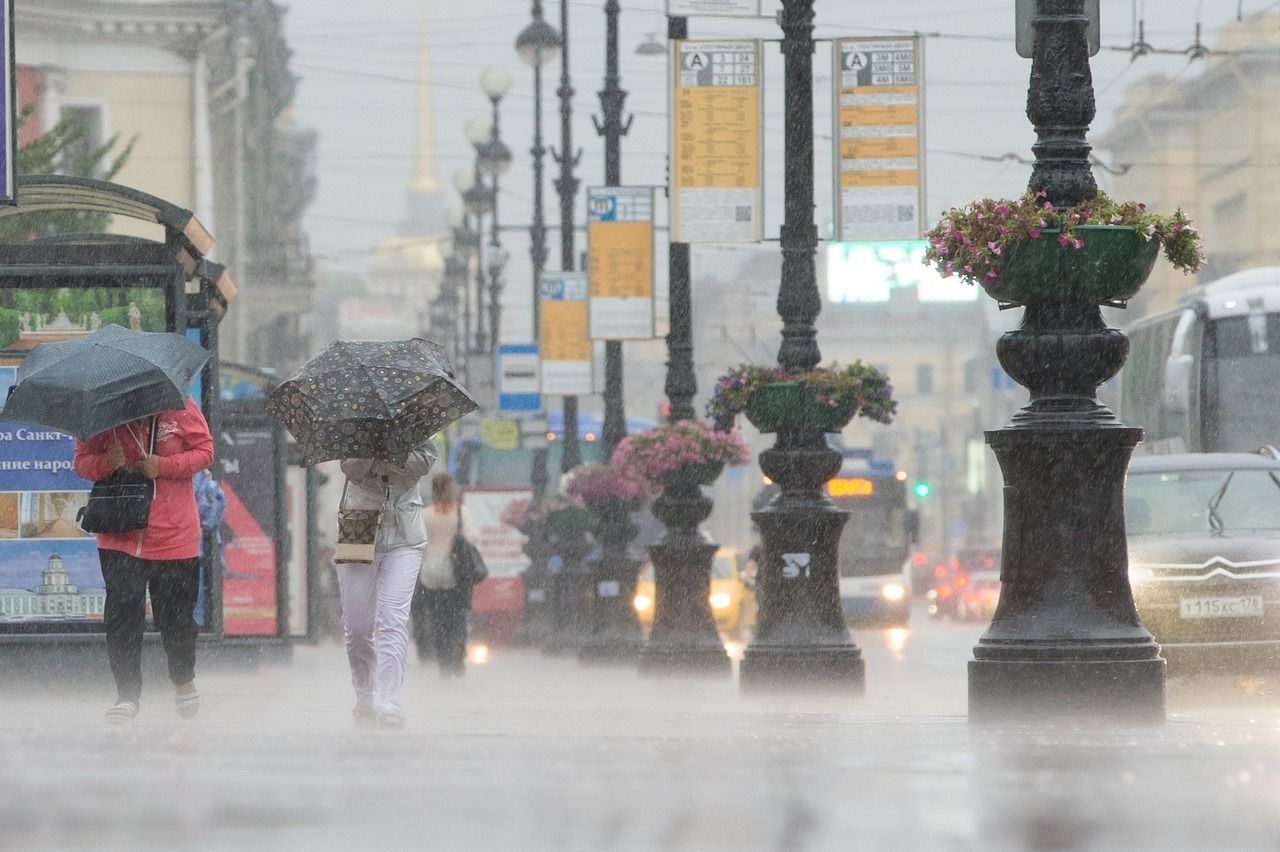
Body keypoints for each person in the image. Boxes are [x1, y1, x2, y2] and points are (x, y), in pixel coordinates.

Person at [72, 398, 214, 724]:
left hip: (175, 536)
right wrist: (106, 462)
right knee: (123, 617)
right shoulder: (100, 413)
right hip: (118, 534)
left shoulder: (180, 407)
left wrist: (164, 466)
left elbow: (205, 451)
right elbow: (81, 462)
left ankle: (182, 678)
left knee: (176, 621)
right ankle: (127, 695)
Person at [337, 441, 437, 730]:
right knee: (357, 627)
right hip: (359, 529)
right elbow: (350, 468)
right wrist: (371, 451)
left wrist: (394, 453)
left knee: (393, 619)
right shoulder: (353, 421)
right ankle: (365, 696)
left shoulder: (413, 416)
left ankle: (389, 702)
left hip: (405, 534)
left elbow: (426, 460)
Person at [419, 473, 474, 679]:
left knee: (437, 618)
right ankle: (458, 648)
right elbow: (471, 538)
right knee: (457, 616)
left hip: (431, 572)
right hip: (455, 571)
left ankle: (443, 663)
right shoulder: (461, 513)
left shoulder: (426, 515)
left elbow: (420, 544)